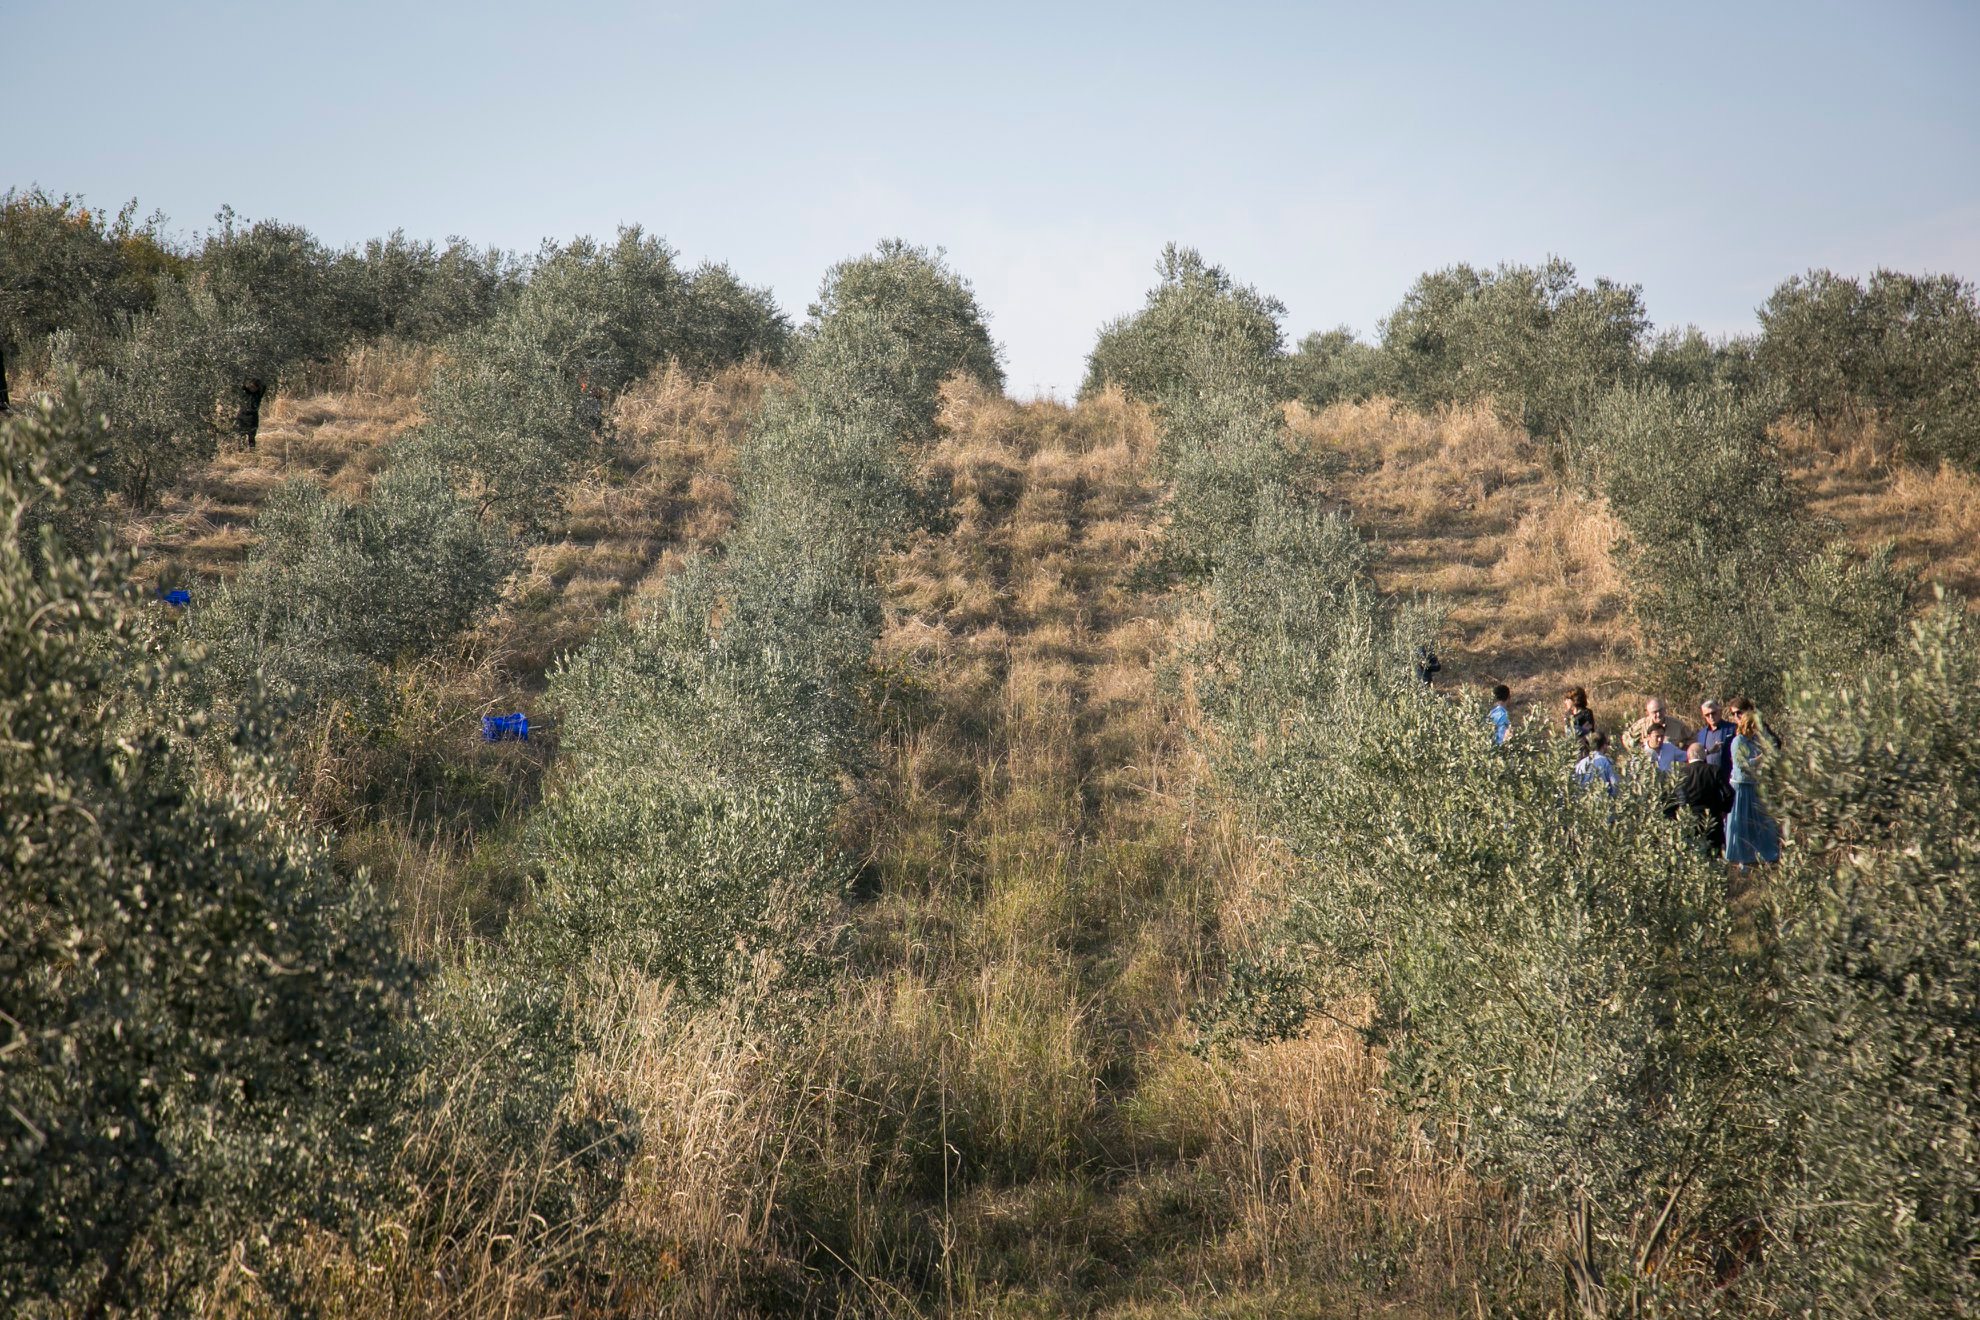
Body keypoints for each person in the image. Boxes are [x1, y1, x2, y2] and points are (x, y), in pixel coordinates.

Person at [1725, 710, 1782, 866]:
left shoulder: (1757, 740)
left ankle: (1766, 855)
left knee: (1763, 822)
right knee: (1741, 824)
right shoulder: (1738, 741)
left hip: (1756, 784)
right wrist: (1759, 759)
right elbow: (1741, 765)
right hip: (1741, 786)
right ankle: (1741, 858)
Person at [1674, 742, 1729, 854]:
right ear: (1704, 755)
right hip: (1713, 817)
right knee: (1714, 854)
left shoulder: (1681, 772)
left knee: (1692, 854)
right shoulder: (1714, 770)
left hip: (1690, 818)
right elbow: (1729, 793)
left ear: (1688, 756)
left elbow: (1678, 797)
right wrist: (1724, 809)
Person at [1696, 699, 1738, 795]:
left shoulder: (1733, 729)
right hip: (1710, 782)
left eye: (1713, 713)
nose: (1711, 717)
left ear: (1720, 711)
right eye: (1707, 715)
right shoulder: (1701, 734)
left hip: (1729, 778)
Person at [1626, 697, 1692, 751]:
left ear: (1664, 709)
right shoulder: (1641, 725)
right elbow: (1626, 738)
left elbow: (1692, 738)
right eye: (1654, 712)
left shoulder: (1676, 725)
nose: (1658, 714)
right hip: (1648, 761)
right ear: (1648, 713)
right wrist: (1638, 750)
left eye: (1660, 710)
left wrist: (1683, 752)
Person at [236, 377, 266, 451]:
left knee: (252, 437)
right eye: (251, 386)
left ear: (257, 388)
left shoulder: (258, 394)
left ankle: (252, 451)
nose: (252, 388)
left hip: (253, 418)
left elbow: (264, 386)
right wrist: (247, 382)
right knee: (241, 436)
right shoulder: (245, 392)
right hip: (242, 416)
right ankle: (240, 451)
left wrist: (258, 381)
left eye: (254, 387)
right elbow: (239, 384)